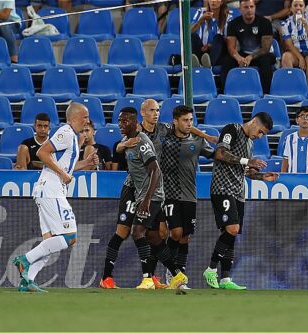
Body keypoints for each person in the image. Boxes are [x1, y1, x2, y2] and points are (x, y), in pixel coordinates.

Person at [13, 103, 99, 293]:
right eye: (85, 117)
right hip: (51, 190)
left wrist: (86, 163)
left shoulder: (73, 139)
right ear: (75, 117)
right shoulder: (66, 132)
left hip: (48, 191)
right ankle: (24, 259)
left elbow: (67, 167)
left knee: (49, 242)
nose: (87, 121)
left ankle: (27, 281)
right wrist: (64, 175)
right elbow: (41, 152)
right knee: (70, 237)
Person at [203, 112, 279, 290]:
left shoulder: (250, 142)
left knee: (232, 233)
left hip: (238, 191)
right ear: (253, 122)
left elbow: (245, 170)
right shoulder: (232, 130)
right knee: (232, 229)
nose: (259, 136)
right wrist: (247, 160)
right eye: (260, 131)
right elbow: (220, 153)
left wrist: (261, 177)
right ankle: (211, 268)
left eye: (263, 135)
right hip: (222, 188)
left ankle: (225, 278)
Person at [118, 106, 189, 290]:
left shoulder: (142, 142)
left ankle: (147, 278)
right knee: (154, 238)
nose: (120, 124)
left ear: (135, 122)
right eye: (119, 121)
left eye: (124, 121)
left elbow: (155, 170)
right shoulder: (128, 141)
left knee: (137, 232)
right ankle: (177, 275)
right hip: (148, 194)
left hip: (152, 195)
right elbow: (117, 149)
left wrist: (147, 199)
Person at [161, 105, 214, 288]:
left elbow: (215, 154)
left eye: (191, 120)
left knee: (185, 237)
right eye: (185, 120)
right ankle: (171, 272)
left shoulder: (197, 141)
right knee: (175, 232)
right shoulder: (165, 137)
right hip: (170, 193)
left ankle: (180, 274)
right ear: (175, 121)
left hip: (190, 194)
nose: (189, 124)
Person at [221, 0, 276, 94]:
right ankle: (225, 92)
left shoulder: (264, 22)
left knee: (265, 61)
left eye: (251, 7)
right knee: (227, 61)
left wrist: (250, 57)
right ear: (240, 10)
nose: (249, 10)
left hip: (262, 54)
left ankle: (266, 93)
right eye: (246, 7)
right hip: (243, 53)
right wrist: (238, 58)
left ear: (255, 8)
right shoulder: (233, 24)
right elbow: (231, 47)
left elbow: (265, 48)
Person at [280, 0, 308, 91]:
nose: (298, 8)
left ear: (305, 8)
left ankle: (306, 90)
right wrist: (300, 58)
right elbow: (289, 44)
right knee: (286, 57)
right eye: (295, 5)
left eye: (301, 5)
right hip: (297, 54)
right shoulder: (285, 23)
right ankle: (292, 89)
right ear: (291, 8)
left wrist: (306, 26)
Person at [280, 106, 308, 173]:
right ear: (297, 120)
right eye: (302, 116)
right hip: (293, 180)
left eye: (307, 116)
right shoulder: (289, 139)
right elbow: (285, 161)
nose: (305, 118)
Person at [191, 0, 231, 68]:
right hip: (202, 49)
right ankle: (197, 63)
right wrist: (201, 20)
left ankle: (209, 64)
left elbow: (229, 40)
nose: (213, 1)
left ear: (221, 2)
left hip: (217, 51)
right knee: (193, 36)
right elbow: (190, 31)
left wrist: (211, 46)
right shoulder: (200, 12)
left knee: (219, 38)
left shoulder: (228, 17)